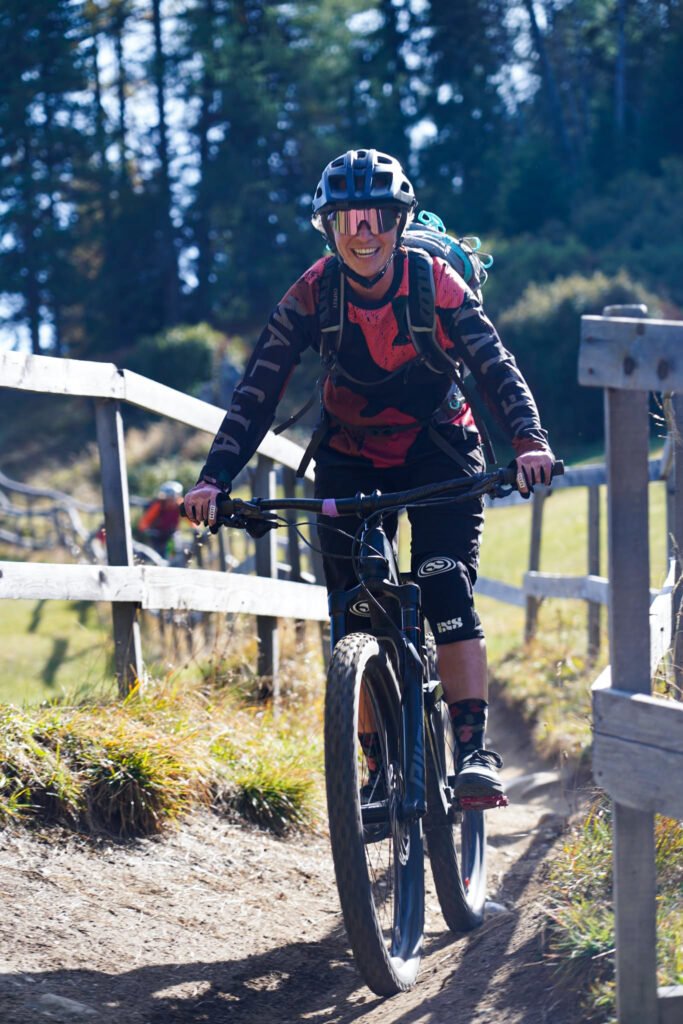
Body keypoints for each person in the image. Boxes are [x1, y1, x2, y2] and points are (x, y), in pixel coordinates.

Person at [184, 148, 554, 809]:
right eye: (347, 217)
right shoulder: (313, 290)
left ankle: (472, 751)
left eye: (377, 216)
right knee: (353, 617)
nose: (363, 231)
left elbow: (494, 364)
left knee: (443, 581)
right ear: (328, 227)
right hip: (350, 457)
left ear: (398, 221)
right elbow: (258, 389)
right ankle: (380, 769)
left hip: (441, 449)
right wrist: (214, 478)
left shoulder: (433, 280)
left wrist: (528, 442)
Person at [137, 480, 183, 558]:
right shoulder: (158, 505)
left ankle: (174, 563)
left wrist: (195, 528)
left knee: (176, 549)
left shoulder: (181, 504)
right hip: (158, 533)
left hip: (172, 532)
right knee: (158, 554)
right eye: (169, 499)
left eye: (173, 498)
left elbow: (191, 519)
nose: (171, 501)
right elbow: (145, 521)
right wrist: (146, 529)